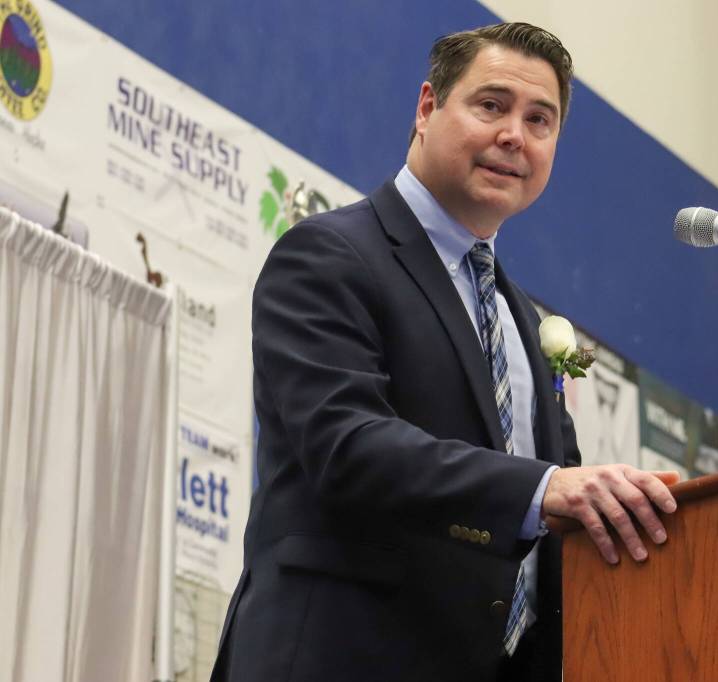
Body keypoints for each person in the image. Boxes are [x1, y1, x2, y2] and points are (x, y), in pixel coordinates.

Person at [212, 22, 678, 682]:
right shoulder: (331, 255)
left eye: (539, 120)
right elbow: (346, 444)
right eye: (491, 105)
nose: (514, 135)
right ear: (427, 108)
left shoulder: (523, 320)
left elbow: (554, 519)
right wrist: (545, 487)